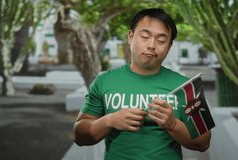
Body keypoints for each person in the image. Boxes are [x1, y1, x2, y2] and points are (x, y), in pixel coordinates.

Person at [73, 8, 211, 160]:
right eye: (145, 36)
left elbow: (203, 143)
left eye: (161, 40)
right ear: (130, 37)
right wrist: (109, 120)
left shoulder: (187, 86)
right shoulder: (103, 81)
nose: (151, 45)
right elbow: (79, 135)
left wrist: (172, 124)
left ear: (169, 47)